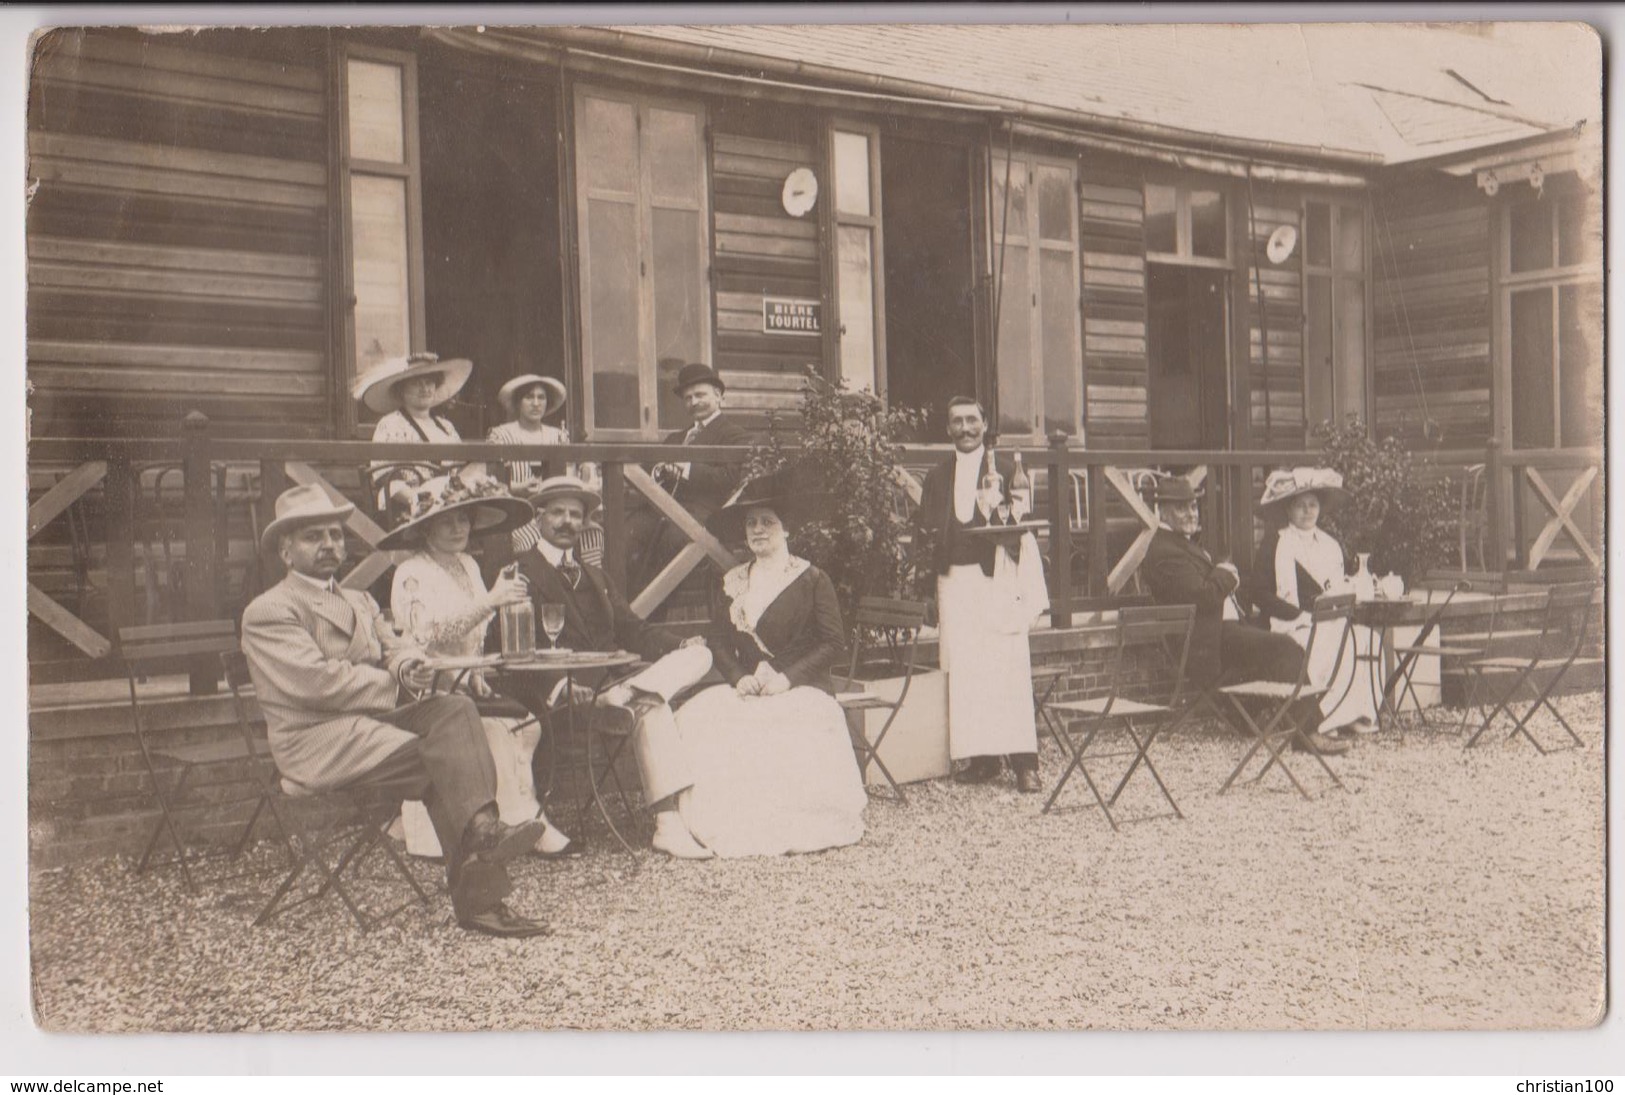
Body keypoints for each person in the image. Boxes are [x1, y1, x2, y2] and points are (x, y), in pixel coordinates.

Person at [239, 483, 549, 938]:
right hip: (318, 738)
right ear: (286, 552)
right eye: (312, 537)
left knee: (455, 709)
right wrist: (394, 682)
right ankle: (482, 896)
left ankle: (483, 828)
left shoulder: (356, 599)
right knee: (443, 758)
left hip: (369, 722)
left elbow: (393, 647)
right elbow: (316, 682)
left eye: (335, 535)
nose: (329, 546)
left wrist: (408, 665)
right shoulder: (269, 611)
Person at [501, 476, 717, 860]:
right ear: (539, 519)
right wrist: (559, 687)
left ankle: (631, 693)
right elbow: (508, 651)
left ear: (585, 524)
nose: (567, 521)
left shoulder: (595, 575)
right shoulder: (519, 573)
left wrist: (680, 644)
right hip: (565, 698)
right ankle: (667, 824)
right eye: (558, 513)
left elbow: (632, 629)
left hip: (612, 688)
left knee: (702, 656)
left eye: (576, 515)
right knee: (652, 710)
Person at [383, 468, 581, 860]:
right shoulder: (410, 573)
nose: (458, 529)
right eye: (446, 522)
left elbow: (471, 636)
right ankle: (508, 827)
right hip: (425, 687)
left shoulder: (468, 566)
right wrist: (491, 601)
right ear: (425, 529)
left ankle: (520, 818)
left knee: (523, 723)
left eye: (462, 520)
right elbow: (428, 632)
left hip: (463, 683)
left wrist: (475, 675)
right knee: (493, 729)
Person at [670, 471, 867, 857]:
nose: (758, 530)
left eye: (767, 522)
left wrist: (787, 679)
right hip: (751, 688)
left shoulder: (812, 579)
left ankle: (787, 822)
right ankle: (721, 821)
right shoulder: (734, 581)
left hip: (803, 687)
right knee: (697, 716)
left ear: (786, 528)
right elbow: (721, 641)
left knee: (783, 724)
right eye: (751, 524)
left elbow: (833, 643)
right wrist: (738, 676)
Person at [1137, 476, 1348, 756]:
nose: (1191, 515)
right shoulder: (1165, 551)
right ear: (1161, 511)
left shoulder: (1180, 545)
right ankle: (1307, 733)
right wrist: (1225, 574)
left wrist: (1221, 574)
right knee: (1285, 646)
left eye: (1194, 508)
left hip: (1220, 632)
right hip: (1203, 642)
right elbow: (1204, 595)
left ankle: (1245, 712)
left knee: (1275, 643)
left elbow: (1206, 586)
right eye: (1182, 509)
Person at [914, 396, 1049, 793]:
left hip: (996, 581)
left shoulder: (1007, 471)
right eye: (956, 421)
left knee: (1007, 668)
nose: (965, 428)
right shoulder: (936, 477)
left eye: (972, 420)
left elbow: (1024, 529)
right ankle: (984, 760)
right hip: (954, 583)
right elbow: (925, 535)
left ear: (985, 424)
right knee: (968, 672)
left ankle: (1025, 762)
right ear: (948, 429)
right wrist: (925, 590)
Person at [1247, 467, 1378, 736]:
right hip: (1290, 621)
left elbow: (1337, 585)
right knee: (1320, 646)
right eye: (1300, 506)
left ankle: (1352, 713)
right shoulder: (1276, 542)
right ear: (1288, 510)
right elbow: (1259, 592)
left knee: (1364, 638)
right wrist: (1296, 615)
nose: (1307, 512)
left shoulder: (1330, 544)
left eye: (1313, 505)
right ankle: (1323, 718)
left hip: (1326, 618)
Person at [625, 362, 750, 595]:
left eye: (700, 395)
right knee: (627, 534)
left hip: (701, 514)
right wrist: (660, 471)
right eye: (688, 398)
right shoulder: (677, 437)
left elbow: (730, 477)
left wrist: (684, 468)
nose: (694, 402)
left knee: (669, 544)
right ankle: (624, 608)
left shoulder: (734, 434)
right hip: (662, 510)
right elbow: (648, 468)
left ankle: (652, 614)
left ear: (718, 395)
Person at [486, 374, 600, 557]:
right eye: (529, 397)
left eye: (541, 397)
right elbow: (490, 482)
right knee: (536, 538)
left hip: (555, 510)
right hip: (518, 514)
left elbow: (568, 474)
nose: (536, 403)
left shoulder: (558, 436)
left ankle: (584, 583)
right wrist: (517, 488)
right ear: (518, 402)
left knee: (591, 535)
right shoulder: (501, 435)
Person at [355, 352, 473, 504]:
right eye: (417, 383)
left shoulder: (446, 426)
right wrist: (419, 500)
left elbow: (461, 468)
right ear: (401, 389)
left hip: (450, 503)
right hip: (411, 506)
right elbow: (385, 477)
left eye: (429, 382)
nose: (425, 388)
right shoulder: (390, 424)